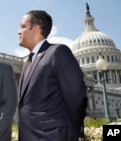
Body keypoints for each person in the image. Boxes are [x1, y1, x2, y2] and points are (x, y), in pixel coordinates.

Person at [17, 10, 87, 141]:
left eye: (23, 27)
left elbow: (76, 96)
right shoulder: (27, 63)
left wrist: (71, 130)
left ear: (36, 28)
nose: (18, 31)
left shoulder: (58, 52)